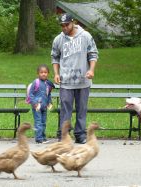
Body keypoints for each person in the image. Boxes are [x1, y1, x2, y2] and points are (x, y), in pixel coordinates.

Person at [51, 13, 98, 144]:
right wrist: (56, 73)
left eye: (67, 24)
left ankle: (80, 134)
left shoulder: (85, 36)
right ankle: (64, 135)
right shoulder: (58, 40)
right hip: (66, 81)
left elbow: (93, 54)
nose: (64, 27)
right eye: (62, 25)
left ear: (73, 22)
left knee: (81, 109)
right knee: (65, 109)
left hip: (83, 80)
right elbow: (54, 57)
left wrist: (91, 70)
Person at [29, 64, 54, 144]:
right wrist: (34, 103)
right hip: (37, 106)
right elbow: (31, 94)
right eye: (41, 72)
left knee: (43, 122)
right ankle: (38, 138)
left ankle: (43, 137)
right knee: (38, 122)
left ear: (48, 73)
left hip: (44, 106)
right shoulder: (36, 82)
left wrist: (50, 102)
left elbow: (49, 94)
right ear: (38, 73)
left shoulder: (48, 84)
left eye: (45, 72)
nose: (43, 74)